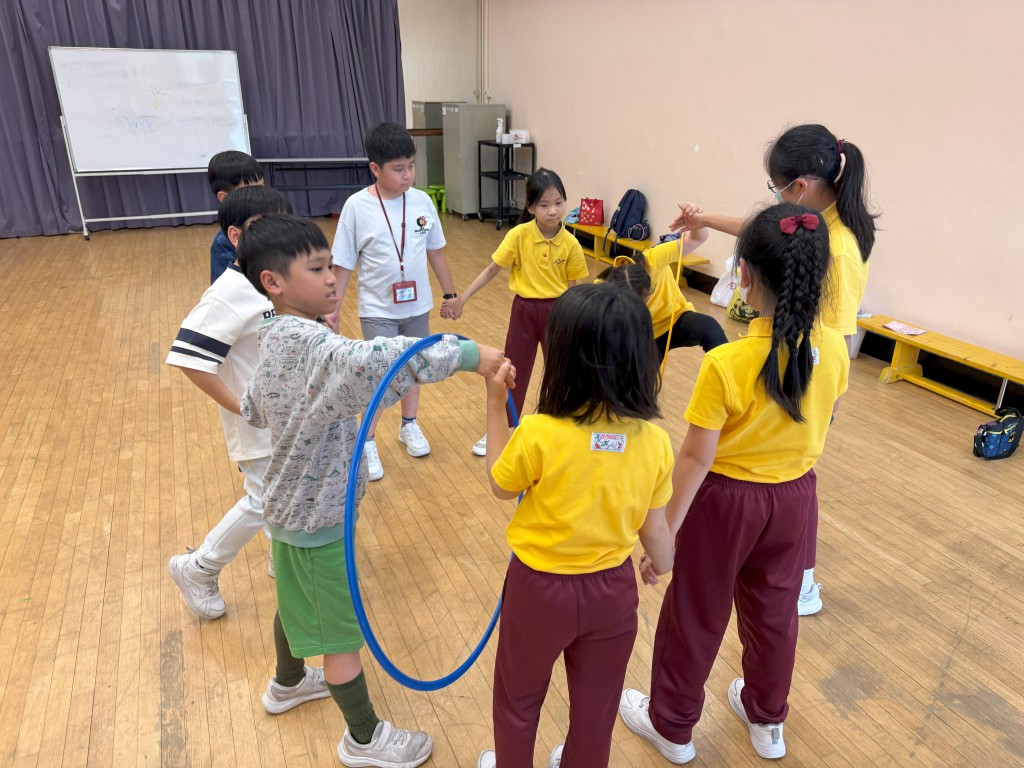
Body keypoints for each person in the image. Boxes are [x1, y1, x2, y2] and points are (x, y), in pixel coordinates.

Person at [237, 213, 512, 768]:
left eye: (330, 267)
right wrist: (466, 355)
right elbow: (384, 360)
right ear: (274, 282)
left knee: (296, 597)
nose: (333, 278)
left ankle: (288, 683)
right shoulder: (315, 348)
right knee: (340, 635)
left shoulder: (273, 337)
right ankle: (363, 739)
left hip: (289, 506)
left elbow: (254, 406)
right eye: (317, 269)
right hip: (318, 515)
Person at [618, 204, 849, 763]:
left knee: (696, 611)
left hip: (726, 501)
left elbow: (696, 457)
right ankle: (768, 718)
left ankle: (672, 726)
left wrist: (665, 534)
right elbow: (825, 416)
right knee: (775, 612)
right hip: (795, 497)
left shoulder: (726, 363)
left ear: (742, 275)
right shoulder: (836, 350)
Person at [671, 124, 877, 615]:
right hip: (793, 374)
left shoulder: (839, 250)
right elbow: (766, 229)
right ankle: (791, 577)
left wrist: (824, 407)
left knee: (792, 475)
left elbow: (835, 340)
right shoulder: (815, 223)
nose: (777, 196)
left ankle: (802, 579)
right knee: (790, 483)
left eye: (777, 187)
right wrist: (704, 218)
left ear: (800, 186)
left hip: (804, 379)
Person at [477, 283, 675, 768]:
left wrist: (495, 402)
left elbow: (500, 484)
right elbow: (657, 535)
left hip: (538, 590)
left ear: (562, 359)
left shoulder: (540, 432)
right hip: (612, 592)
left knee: (518, 701)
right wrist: (659, 563)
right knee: (596, 713)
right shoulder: (654, 442)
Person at [166, 185, 292, 622]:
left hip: (289, 418)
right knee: (263, 498)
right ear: (235, 236)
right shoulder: (229, 291)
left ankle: (283, 558)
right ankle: (199, 567)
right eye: (265, 227)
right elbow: (188, 358)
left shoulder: (275, 278)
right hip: (257, 426)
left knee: (283, 494)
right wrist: (243, 407)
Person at [330, 121, 459, 482]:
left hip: (417, 307)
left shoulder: (421, 202)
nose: (408, 176)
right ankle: (367, 441)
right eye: (398, 169)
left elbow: (436, 252)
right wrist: (332, 309)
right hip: (378, 310)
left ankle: (409, 425)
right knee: (380, 374)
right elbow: (343, 264)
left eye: (411, 166)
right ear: (375, 168)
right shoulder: (357, 207)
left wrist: (450, 294)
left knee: (414, 366)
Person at [444, 168, 588, 456]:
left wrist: (577, 324)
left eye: (558, 203)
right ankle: (504, 427)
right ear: (531, 207)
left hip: (559, 312)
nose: (552, 211)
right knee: (512, 369)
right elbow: (492, 269)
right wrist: (462, 299)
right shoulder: (519, 235)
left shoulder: (571, 244)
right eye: (544, 205)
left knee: (561, 371)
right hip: (524, 310)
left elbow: (576, 289)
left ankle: (560, 426)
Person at [597, 216, 726, 359]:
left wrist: (697, 222)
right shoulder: (602, 286)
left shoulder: (654, 258)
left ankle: (724, 370)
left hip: (675, 318)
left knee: (710, 328)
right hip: (642, 333)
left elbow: (697, 239)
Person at [207, 150, 265, 283]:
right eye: (249, 191)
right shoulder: (223, 243)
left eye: (262, 187)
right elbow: (223, 286)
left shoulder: (271, 222)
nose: (261, 195)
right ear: (224, 197)